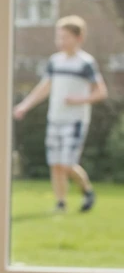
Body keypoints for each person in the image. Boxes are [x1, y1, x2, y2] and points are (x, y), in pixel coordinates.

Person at [13, 15, 106, 212]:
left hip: (75, 120)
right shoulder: (55, 62)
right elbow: (44, 88)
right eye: (59, 37)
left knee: (67, 163)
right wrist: (24, 106)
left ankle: (87, 190)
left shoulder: (85, 63)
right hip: (55, 118)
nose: (60, 41)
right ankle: (61, 203)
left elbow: (101, 92)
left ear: (78, 38)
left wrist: (79, 100)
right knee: (55, 163)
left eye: (65, 37)